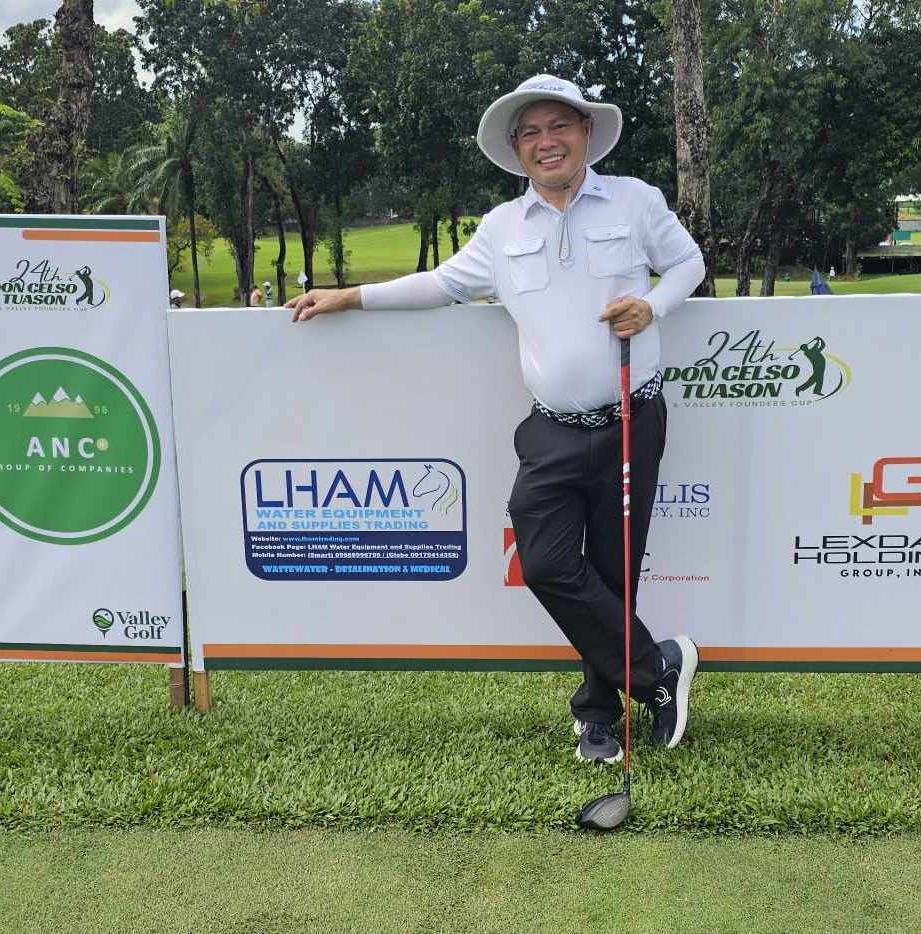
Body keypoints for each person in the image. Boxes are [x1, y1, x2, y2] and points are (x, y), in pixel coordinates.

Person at [286, 75, 704, 765]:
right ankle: (657, 671)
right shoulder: (502, 227)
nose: (547, 141)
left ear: (586, 133)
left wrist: (652, 306)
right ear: (517, 148)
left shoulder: (636, 200)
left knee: (613, 574)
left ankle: (598, 715)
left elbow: (687, 263)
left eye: (560, 125)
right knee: (545, 564)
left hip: (633, 419)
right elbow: (441, 284)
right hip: (552, 428)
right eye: (531, 132)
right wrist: (352, 296)